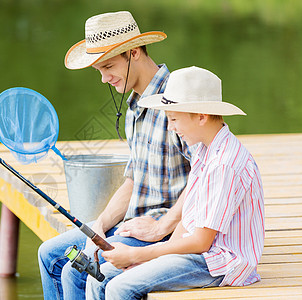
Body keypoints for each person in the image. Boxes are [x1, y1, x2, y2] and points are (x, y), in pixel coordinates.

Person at [38, 11, 192, 300]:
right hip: (132, 223)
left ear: (133, 53)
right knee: (48, 255)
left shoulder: (176, 100)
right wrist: (100, 224)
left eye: (108, 66)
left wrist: (162, 227)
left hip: (165, 231)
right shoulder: (134, 105)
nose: (104, 78)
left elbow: (204, 176)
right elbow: (133, 180)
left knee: (76, 270)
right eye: (98, 70)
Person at [85, 66, 265, 299]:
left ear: (201, 116)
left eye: (173, 119)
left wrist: (136, 255)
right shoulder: (203, 149)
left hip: (219, 262)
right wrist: (154, 258)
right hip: (198, 254)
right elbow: (188, 220)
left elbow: (201, 242)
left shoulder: (224, 163)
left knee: (120, 287)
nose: (171, 128)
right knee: (99, 276)